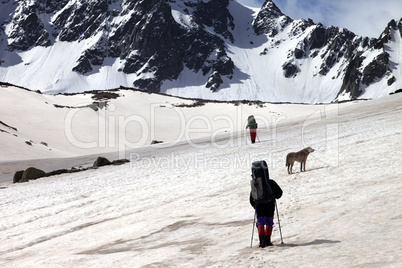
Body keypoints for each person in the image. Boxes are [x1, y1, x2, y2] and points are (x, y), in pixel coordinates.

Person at [250, 175, 283, 248]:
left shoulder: (255, 184)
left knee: (260, 221)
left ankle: (262, 241)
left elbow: (251, 198)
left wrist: (255, 206)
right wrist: (274, 196)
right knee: (269, 221)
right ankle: (268, 240)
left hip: (259, 205)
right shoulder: (270, 182)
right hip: (270, 204)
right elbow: (279, 193)